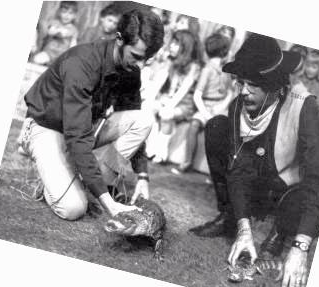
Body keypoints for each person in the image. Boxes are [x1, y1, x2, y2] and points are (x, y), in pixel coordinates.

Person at [189, 33, 319, 287]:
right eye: (240, 82)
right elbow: (237, 170)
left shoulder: (304, 106)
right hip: (256, 180)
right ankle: (231, 215)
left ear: (274, 86)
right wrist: (244, 229)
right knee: (216, 127)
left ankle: (280, 233)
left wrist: (301, 248)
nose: (243, 91)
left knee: (300, 195)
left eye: (252, 84)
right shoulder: (238, 105)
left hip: (288, 187)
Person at [19, 9, 164, 220]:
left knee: (143, 120)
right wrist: (110, 205)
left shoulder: (131, 69)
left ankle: (93, 184)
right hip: (46, 128)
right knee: (73, 209)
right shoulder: (82, 63)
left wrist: (142, 175)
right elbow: (77, 136)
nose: (140, 65)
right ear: (119, 39)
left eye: (147, 60)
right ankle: (60, 177)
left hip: (84, 129)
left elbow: (130, 115)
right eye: (137, 56)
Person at [171, 33, 233, 174]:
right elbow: (197, 96)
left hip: (220, 108)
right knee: (194, 125)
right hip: (205, 107)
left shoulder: (227, 71)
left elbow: (229, 93)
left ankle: (217, 170)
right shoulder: (207, 70)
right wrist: (206, 114)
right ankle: (187, 162)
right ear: (224, 52)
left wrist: (221, 107)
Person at [148, 30, 203, 164]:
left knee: (166, 114)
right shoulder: (170, 61)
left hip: (184, 105)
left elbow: (183, 91)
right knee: (149, 108)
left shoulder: (194, 66)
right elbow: (159, 82)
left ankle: (162, 153)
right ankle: (151, 147)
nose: (171, 46)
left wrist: (169, 105)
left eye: (176, 44)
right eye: (172, 42)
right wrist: (151, 99)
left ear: (186, 48)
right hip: (168, 98)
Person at [33, 1, 79, 65]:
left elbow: (73, 44)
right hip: (49, 52)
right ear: (59, 12)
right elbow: (50, 32)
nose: (66, 15)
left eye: (70, 13)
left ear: (74, 15)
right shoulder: (55, 23)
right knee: (37, 59)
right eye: (64, 12)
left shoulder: (74, 30)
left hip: (62, 56)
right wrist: (58, 31)